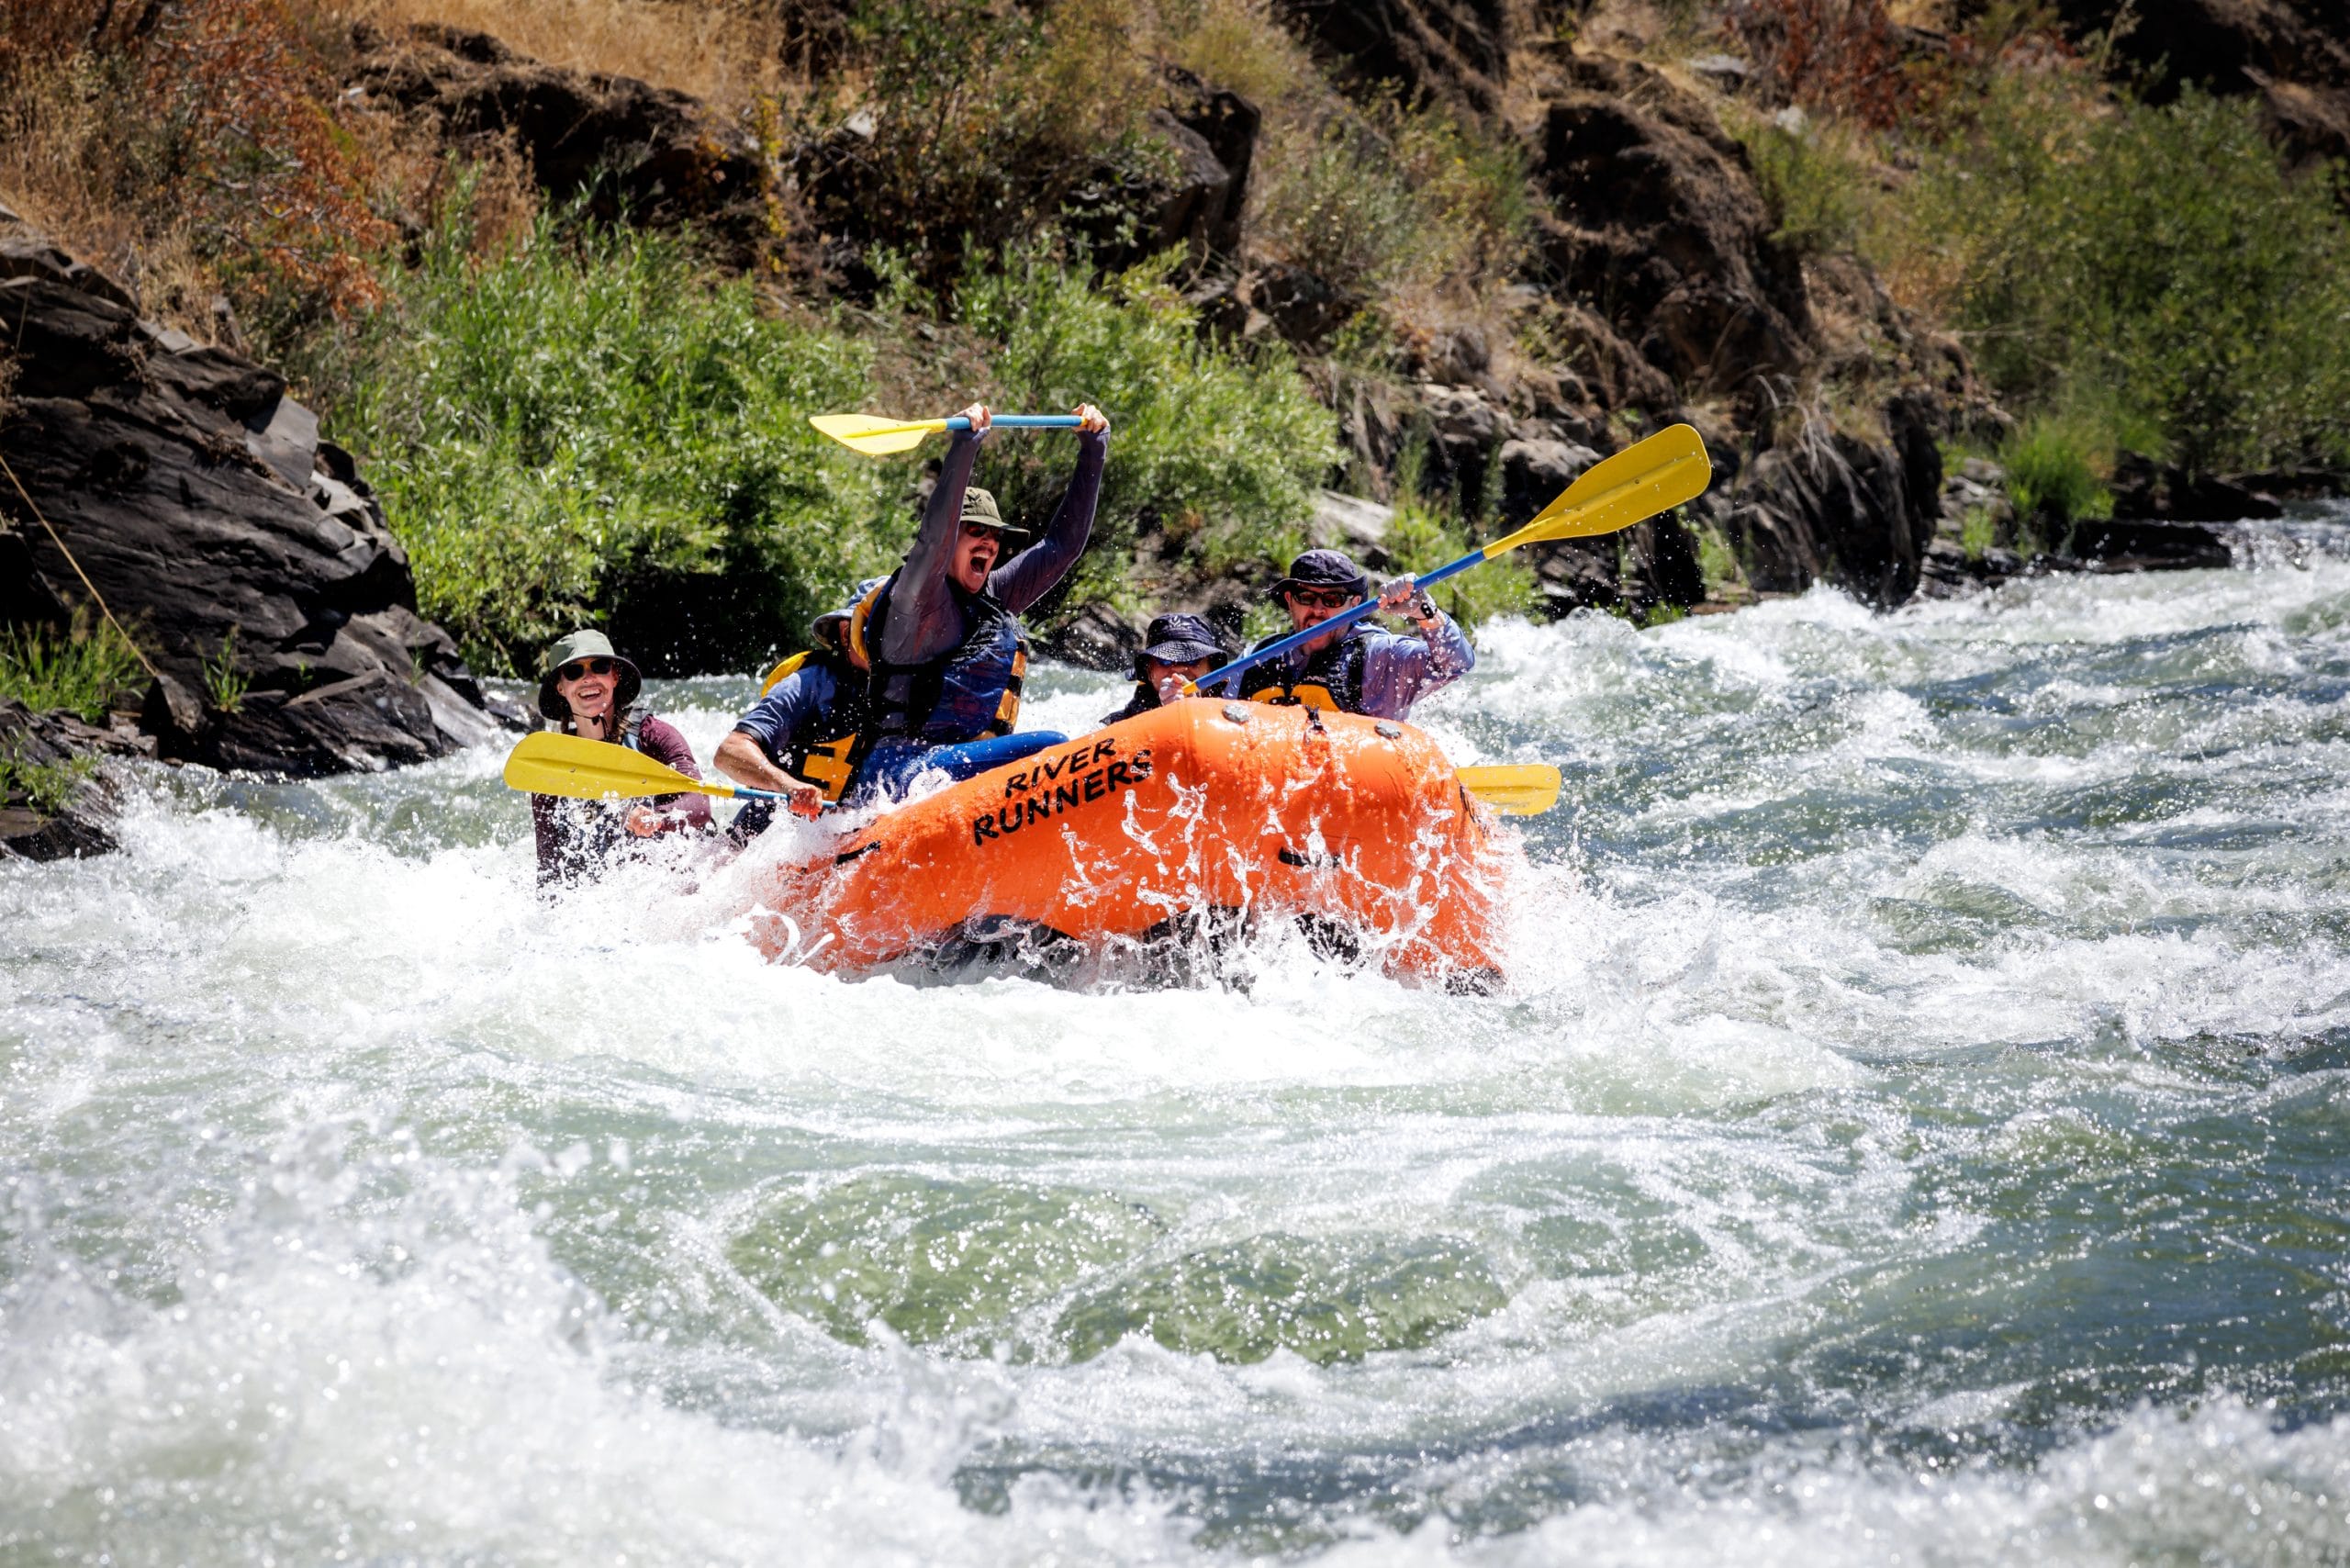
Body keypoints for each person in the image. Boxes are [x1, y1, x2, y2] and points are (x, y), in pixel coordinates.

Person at [845, 399, 1110, 797]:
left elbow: (1062, 546)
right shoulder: (913, 599)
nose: (989, 541)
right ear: (952, 539)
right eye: (975, 531)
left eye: (995, 535)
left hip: (951, 772)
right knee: (1052, 748)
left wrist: (1094, 449)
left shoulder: (996, 596)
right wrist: (965, 446)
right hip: (895, 774)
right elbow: (933, 539)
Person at [530, 630, 711, 885]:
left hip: (677, 881)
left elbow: (700, 805)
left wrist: (659, 818)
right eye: (574, 672)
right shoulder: (551, 771)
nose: (588, 678)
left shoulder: (654, 736)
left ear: (614, 676)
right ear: (561, 687)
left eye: (599, 667)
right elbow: (548, 872)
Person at [711, 579, 878, 835]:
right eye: (878, 629)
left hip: (850, 838)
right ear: (847, 633)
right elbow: (729, 752)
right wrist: (788, 786)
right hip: (769, 839)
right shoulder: (809, 684)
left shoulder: (912, 692)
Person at [1233, 548, 1474, 722]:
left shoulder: (1380, 656)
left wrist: (1425, 611)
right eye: (1305, 597)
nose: (1317, 610)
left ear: (1354, 604)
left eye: (1333, 599)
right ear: (1290, 601)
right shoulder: (1256, 657)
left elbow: (1455, 665)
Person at [1102, 612, 1228, 725]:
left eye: (1193, 660)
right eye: (1165, 660)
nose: (1179, 669)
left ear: (1211, 668)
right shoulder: (1115, 725)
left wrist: (1194, 710)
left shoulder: (1235, 711)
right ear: (1149, 670)